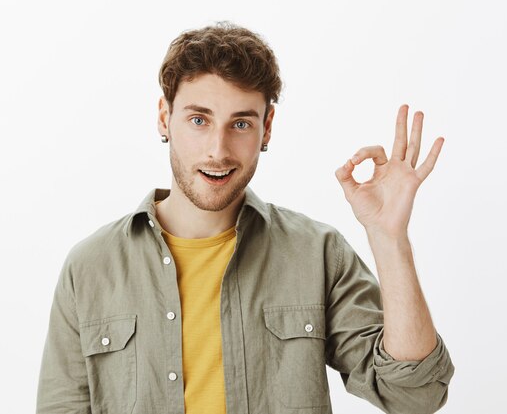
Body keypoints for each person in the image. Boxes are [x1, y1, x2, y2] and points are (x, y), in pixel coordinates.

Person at [36, 21, 454, 414]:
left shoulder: (317, 254)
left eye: (240, 123)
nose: (218, 149)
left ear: (267, 128)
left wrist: (389, 237)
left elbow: (414, 395)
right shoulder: (90, 267)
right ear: (165, 118)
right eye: (198, 120)